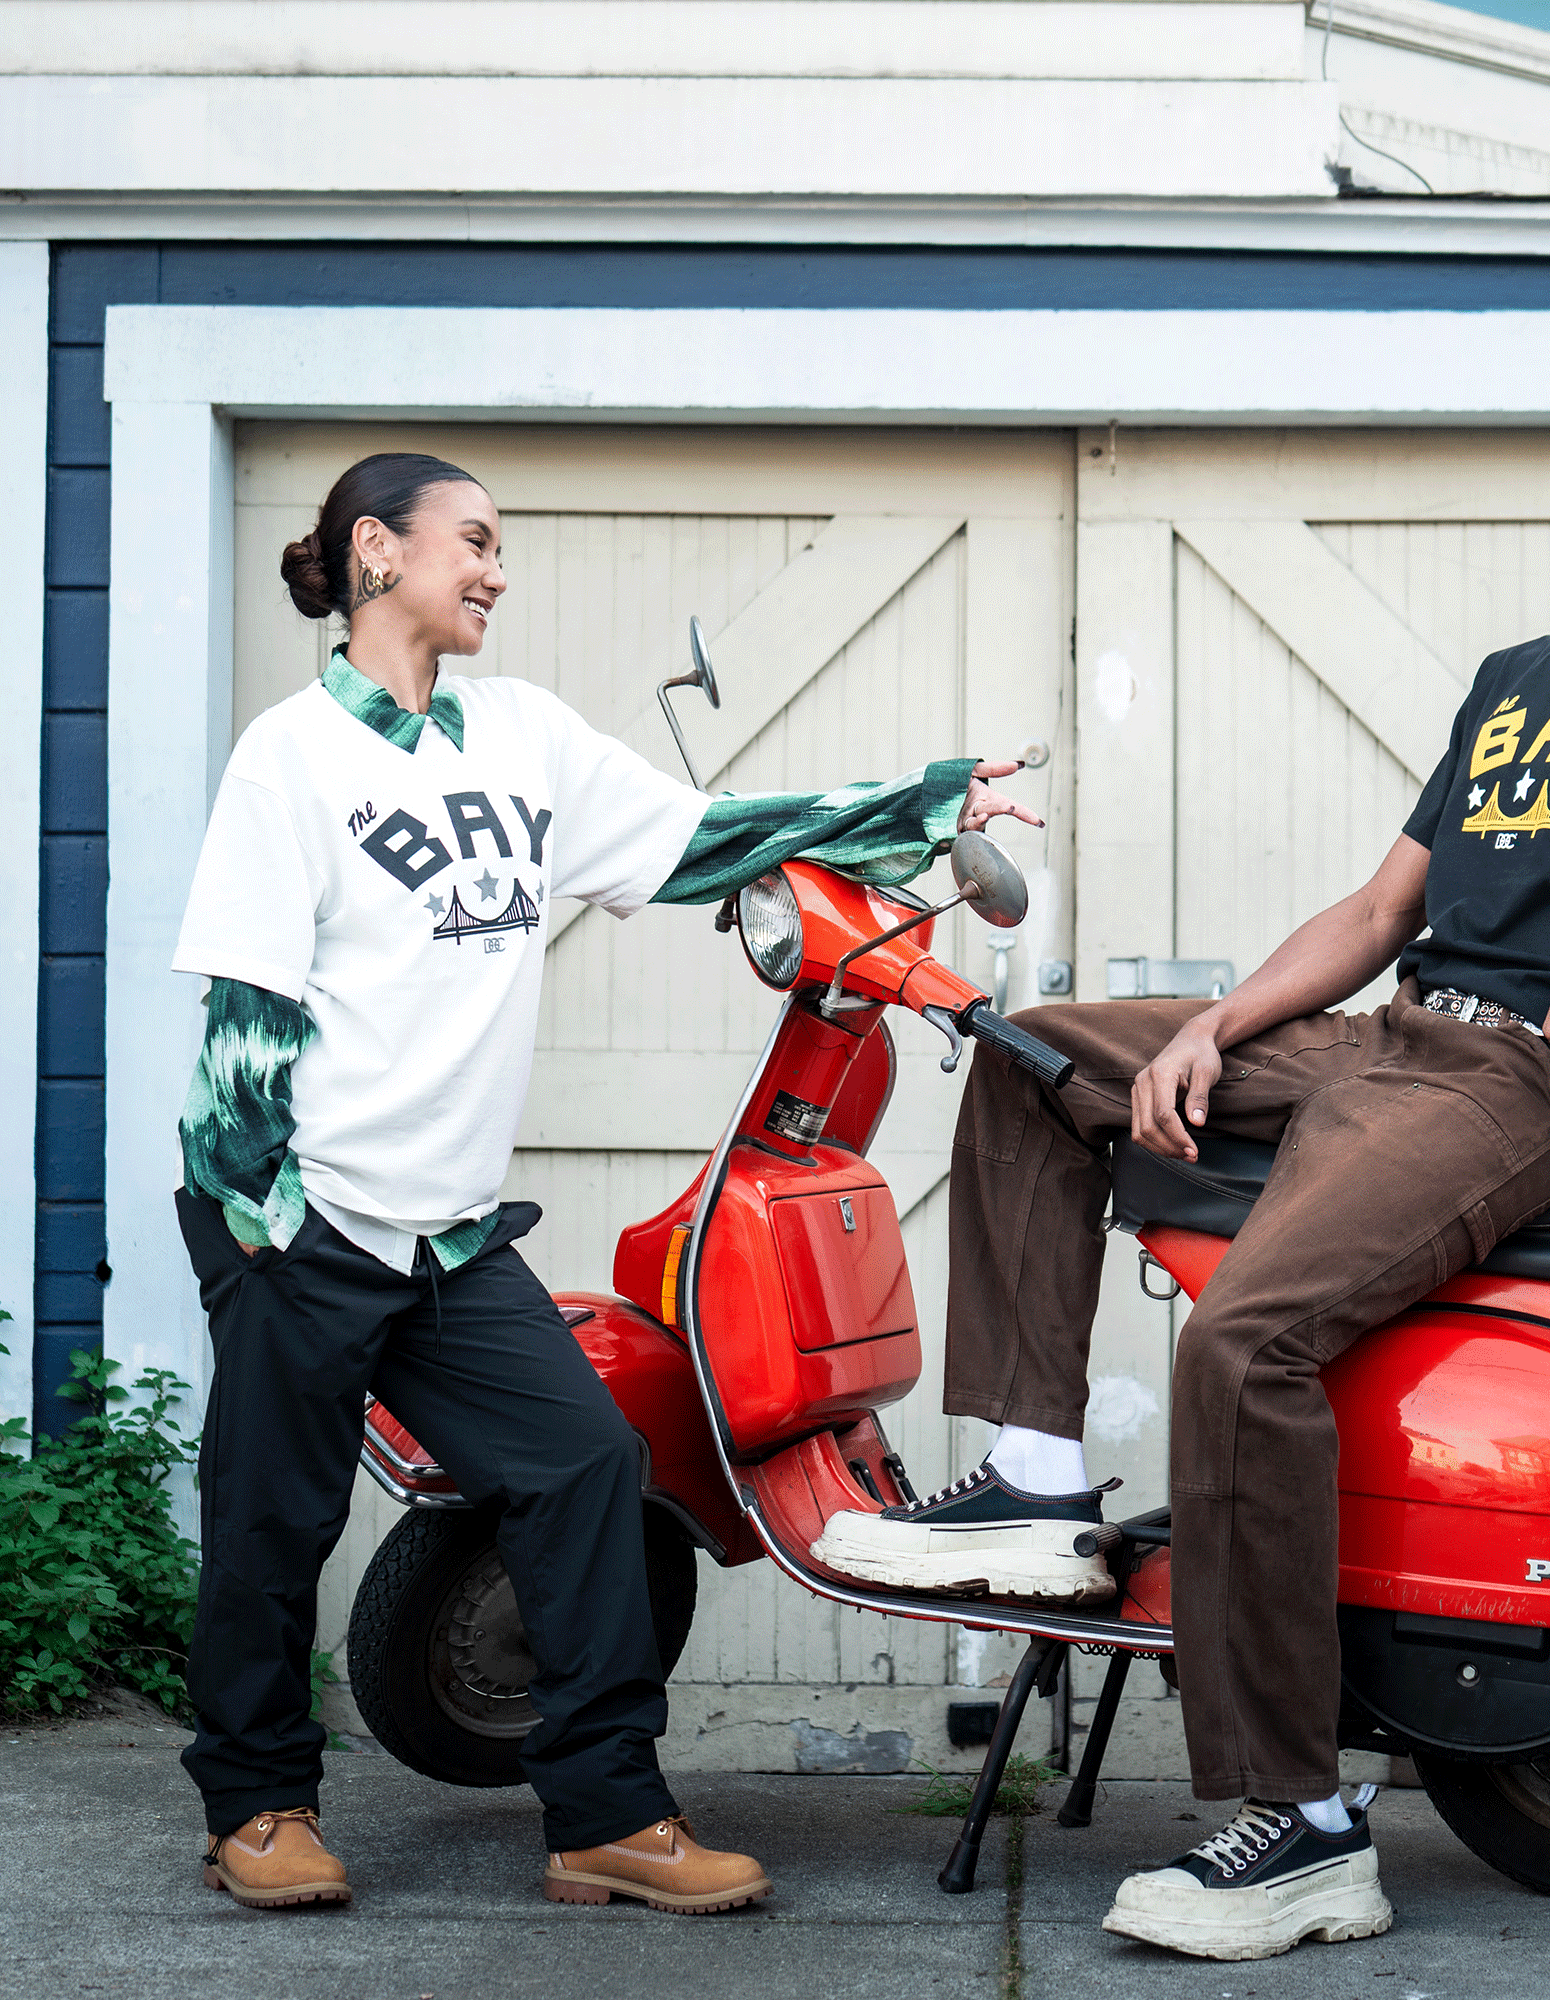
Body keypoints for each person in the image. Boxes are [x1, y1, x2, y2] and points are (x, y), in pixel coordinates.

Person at [811, 366, 1550, 1960]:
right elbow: (1382, 910)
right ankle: (1038, 1480)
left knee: (1251, 1340)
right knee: (1039, 1053)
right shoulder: (1517, 675)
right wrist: (1214, 1028)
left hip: (1530, 1083)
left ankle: (1303, 1828)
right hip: (1387, 1035)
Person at [172, 452, 1039, 1914]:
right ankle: (256, 1808)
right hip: (306, 1212)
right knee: (274, 1517)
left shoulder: (520, 736)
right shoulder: (291, 758)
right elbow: (243, 1024)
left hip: (447, 1239)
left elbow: (706, 843)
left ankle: (603, 1820)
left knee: (584, 1468)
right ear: (377, 554)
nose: (498, 569)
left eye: (501, 546)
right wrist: (265, 1227)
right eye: (476, 542)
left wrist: (920, 798)